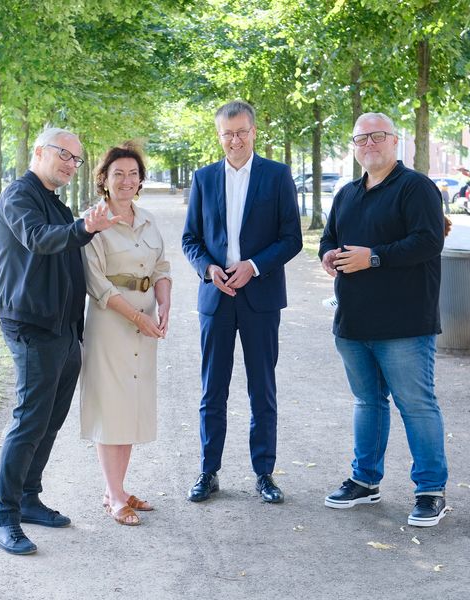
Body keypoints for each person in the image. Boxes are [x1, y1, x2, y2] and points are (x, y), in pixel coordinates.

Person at [0, 127, 121, 555]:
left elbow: (72, 248)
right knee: (30, 420)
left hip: (64, 327)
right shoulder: (18, 196)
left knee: (49, 420)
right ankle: (3, 517)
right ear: (40, 151)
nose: (70, 164)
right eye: (64, 155)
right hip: (32, 326)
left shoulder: (55, 203)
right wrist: (85, 225)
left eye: (76, 160)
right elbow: (39, 240)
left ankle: (29, 498)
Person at [319, 112, 450, 527]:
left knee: (417, 405)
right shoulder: (346, 193)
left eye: (378, 136)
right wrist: (327, 254)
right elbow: (330, 239)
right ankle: (365, 481)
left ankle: (431, 491)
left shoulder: (416, 187)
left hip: (405, 323)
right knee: (367, 403)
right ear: (353, 148)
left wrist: (373, 257)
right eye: (361, 139)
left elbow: (429, 242)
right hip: (354, 321)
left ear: (396, 141)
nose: (369, 144)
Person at [182, 100, 302, 504]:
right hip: (216, 297)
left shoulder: (278, 176)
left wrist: (254, 265)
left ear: (254, 131)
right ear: (219, 136)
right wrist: (207, 269)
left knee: (262, 390)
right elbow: (190, 240)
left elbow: (292, 238)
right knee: (211, 391)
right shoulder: (203, 178)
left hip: (261, 298)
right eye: (227, 134)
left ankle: (264, 473)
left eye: (241, 132)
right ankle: (208, 471)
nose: (234, 140)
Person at [80, 142, 172, 526]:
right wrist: (136, 316)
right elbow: (97, 283)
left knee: (131, 406)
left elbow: (162, 266)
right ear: (104, 179)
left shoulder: (148, 220)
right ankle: (114, 495)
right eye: (118, 173)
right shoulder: (93, 223)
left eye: (133, 174)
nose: (126, 180)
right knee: (111, 407)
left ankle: (116, 487)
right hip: (112, 324)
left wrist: (164, 304)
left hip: (145, 323)